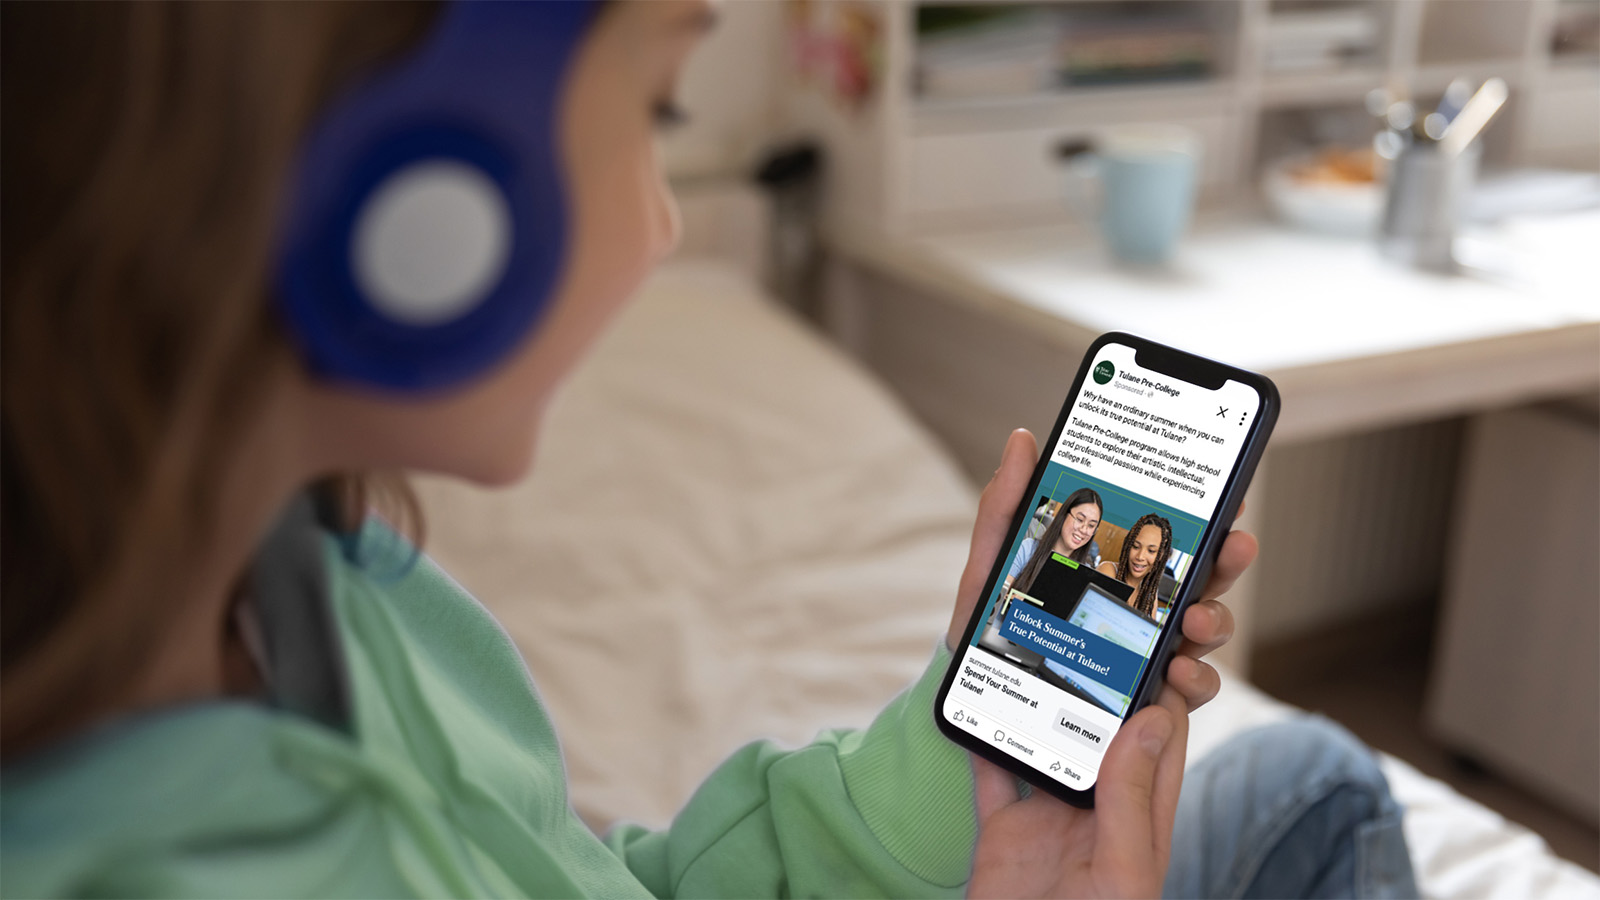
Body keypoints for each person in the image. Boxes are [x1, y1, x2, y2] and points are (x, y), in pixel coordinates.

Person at [0, 2, 1418, 897]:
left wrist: (956, 753)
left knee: (1309, 783)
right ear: (420, 200)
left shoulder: (327, 580)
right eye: (660, 107)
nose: (671, 222)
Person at [1005, 488, 1103, 597]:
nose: (1084, 530)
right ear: (1064, 515)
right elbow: (998, 596)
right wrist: (1013, 598)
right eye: (1080, 519)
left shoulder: (1085, 574)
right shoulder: (1028, 549)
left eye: (1091, 526)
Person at [1100, 513, 1174, 618]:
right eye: (1135, 546)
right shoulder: (1108, 570)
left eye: (1151, 551)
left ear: (1161, 556)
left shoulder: (1149, 594)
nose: (1140, 556)